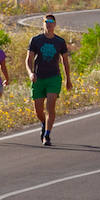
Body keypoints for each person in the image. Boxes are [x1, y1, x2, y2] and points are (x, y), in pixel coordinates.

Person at [26, 13, 72, 146]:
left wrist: (68, 79)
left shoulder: (60, 41)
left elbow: (65, 61)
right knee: (38, 110)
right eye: (46, 22)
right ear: (43, 24)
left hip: (54, 78)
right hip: (38, 78)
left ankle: (47, 135)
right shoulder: (36, 40)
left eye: (51, 21)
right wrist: (30, 73)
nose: (49, 24)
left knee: (50, 107)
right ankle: (44, 123)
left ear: (55, 24)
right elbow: (28, 59)